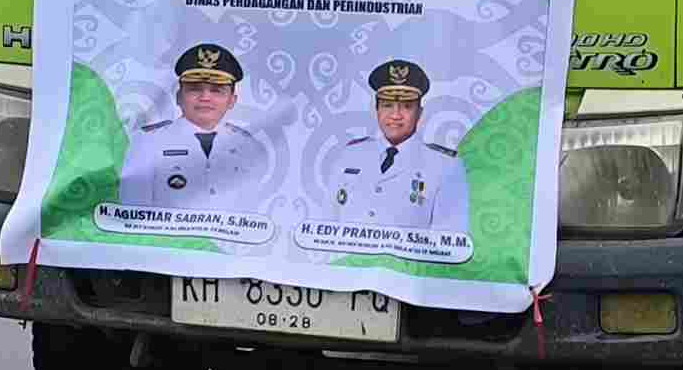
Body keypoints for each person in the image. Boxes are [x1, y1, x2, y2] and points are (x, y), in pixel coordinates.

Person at [117, 42, 278, 214]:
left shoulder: (249, 146)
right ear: (179, 97)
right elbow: (133, 213)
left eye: (217, 91)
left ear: (232, 100)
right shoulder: (148, 141)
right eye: (194, 89)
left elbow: (256, 210)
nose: (205, 97)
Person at [308, 59, 466, 234]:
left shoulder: (445, 165)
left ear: (420, 113)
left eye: (406, 107)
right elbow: (326, 225)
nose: (395, 115)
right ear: (376, 110)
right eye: (387, 105)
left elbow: (448, 240)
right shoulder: (349, 154)